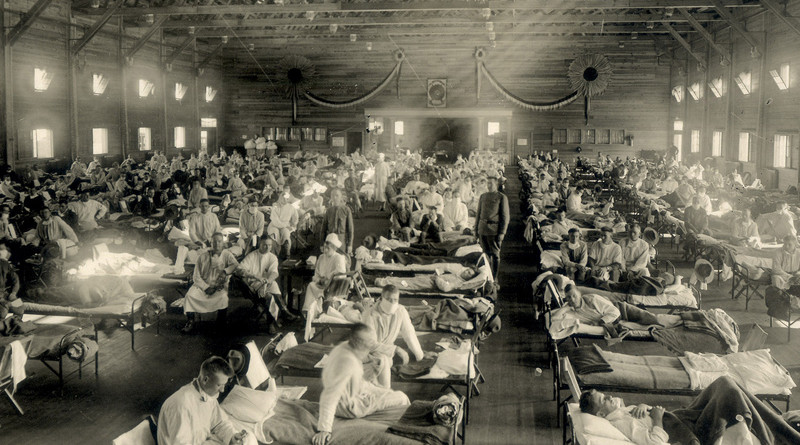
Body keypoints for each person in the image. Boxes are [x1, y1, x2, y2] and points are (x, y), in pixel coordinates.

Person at [579, 376, 800, 445]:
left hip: (681, 417)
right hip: (689, 432)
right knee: (729, 391)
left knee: (727, 383)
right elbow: (655, 441)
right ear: (600, 414)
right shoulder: (620, 423)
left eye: (605, 394)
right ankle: (778, 436)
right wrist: (656, 417)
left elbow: (641, 416)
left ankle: (778, 431)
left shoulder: (621, 412)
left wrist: (643, 407)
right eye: (604, 400)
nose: (609, 397)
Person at [312, 323, 410, 445]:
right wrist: (324, 429)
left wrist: (380, 390)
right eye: (368, 346)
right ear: (359, 344)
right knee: (402, 397)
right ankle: (408, 431)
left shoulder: (345, 348)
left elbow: (360, 381)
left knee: (387, 391)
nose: (370, 349)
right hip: (350, 407)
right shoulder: (346, 363)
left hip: (355, 393)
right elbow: (329, 396)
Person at [157, 356, 248, 445]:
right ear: (205, 379)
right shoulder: (181, 404)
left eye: (224, 385)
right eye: (219, 385)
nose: (222, 390)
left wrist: (232, 436)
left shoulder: (208, 397)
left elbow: (219, 423)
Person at [361, 285, 431, 388]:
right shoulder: (369, 314)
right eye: (389, 299)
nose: (392, 303)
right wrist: (396, 349)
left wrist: (419, 355)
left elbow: (409, 333)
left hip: (386, 353)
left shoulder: (400, 311)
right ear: (381, 298)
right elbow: (370, 344)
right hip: (367, 353)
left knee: (384, 361)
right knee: (381, 363)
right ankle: (385, 393)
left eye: (395, 300)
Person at [182, 232, 239, 333]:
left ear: (223, 243)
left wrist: (225, 271)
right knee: (189, 296)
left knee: (223, 298)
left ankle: (221, 322)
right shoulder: (202, 256)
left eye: (219, 241)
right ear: (210, 243)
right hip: (202, 286)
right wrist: (206, 288)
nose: (217, 244)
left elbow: (235, 265)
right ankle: (190, 321)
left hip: (218, 286)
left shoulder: (227, 254)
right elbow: (196, 276)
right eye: (214, 242)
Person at [236, 236, 290, 334]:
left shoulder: (272, 257)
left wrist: (266, 282)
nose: (267, 247)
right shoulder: (252, 255)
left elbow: (274, 273)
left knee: (274, 288)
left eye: (269, 245)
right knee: (269, 297)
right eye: (264, 245)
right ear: (259, 244)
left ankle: (284, 311)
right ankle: (271, 323)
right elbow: (239, 269)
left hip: (267, 282)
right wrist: (255, 276)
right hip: (254, 283)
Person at [303, 233, 347, 314]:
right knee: (311, 286)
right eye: (324, 248)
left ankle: (318, 312)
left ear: (334, 248)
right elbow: (316, 274)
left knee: (322, 293)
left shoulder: (339, 258)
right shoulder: (321, 257)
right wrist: (319, 280)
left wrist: (329, 279)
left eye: (328, 248)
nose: (325, 250)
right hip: (321, 285)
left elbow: (341, 275)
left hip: (333, 288)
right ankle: (308, 312)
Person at [475, 176, 509, 280]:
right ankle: (487, 277)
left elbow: (505, 217)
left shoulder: (501, 197)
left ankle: (495, 278)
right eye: (488, 183)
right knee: (485, 255)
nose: (489, 185)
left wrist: (502, 233)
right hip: (482, 229)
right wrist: (476, 230)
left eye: (491, 183)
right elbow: (478, 214)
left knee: (495, 255)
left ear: (496, 184)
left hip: (494, 230)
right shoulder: (483, 196)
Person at [267, 186, 299, 258]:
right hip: (274, 225)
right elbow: (275, 220)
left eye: (286, 198)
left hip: (285, 226)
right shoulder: (275, 206)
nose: (285, 199)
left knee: (286, 235)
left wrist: (293, 224)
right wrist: (285, 225)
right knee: (274, 235)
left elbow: (295, 217)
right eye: (283, 197)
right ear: (280, 197)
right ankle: (274, 255)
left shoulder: (291, 207)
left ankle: (287, 254)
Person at [320, 189, 354, 255]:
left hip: (341, 239)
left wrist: (350, 244)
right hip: (330, 239)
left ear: (341, 197)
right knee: (329, 259)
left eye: (337, 195)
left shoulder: (346, 210)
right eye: (333, 196)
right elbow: (323, 229)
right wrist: (322, 244)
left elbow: (350, 229)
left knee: (342, 259)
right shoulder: (329, 211)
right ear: (331, 197)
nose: (335, 198)